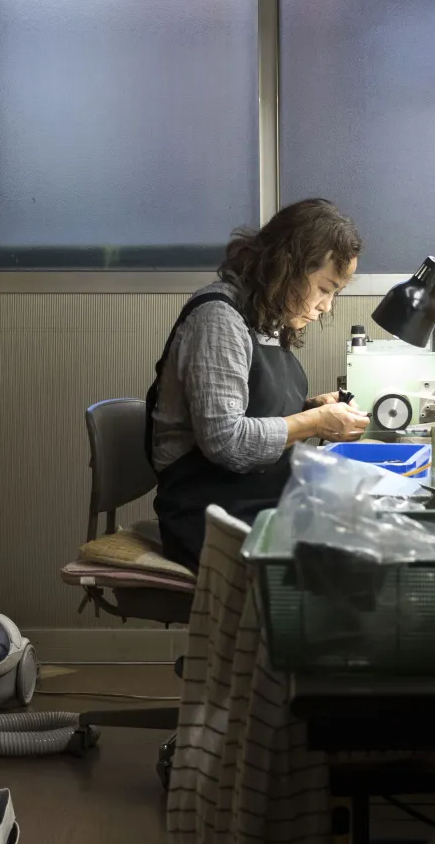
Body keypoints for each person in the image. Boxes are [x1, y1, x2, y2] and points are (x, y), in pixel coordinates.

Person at [145, 199, 370, 570]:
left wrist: (312, 410)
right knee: (346, 562)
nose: (327, 306)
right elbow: (226, 441)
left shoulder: (264, 321)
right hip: (210, 517)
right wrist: (315, 424)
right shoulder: (219, 318)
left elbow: (255, 411)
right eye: (324, 288)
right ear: (288, 268)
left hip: (253, 498)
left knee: (366, 524)